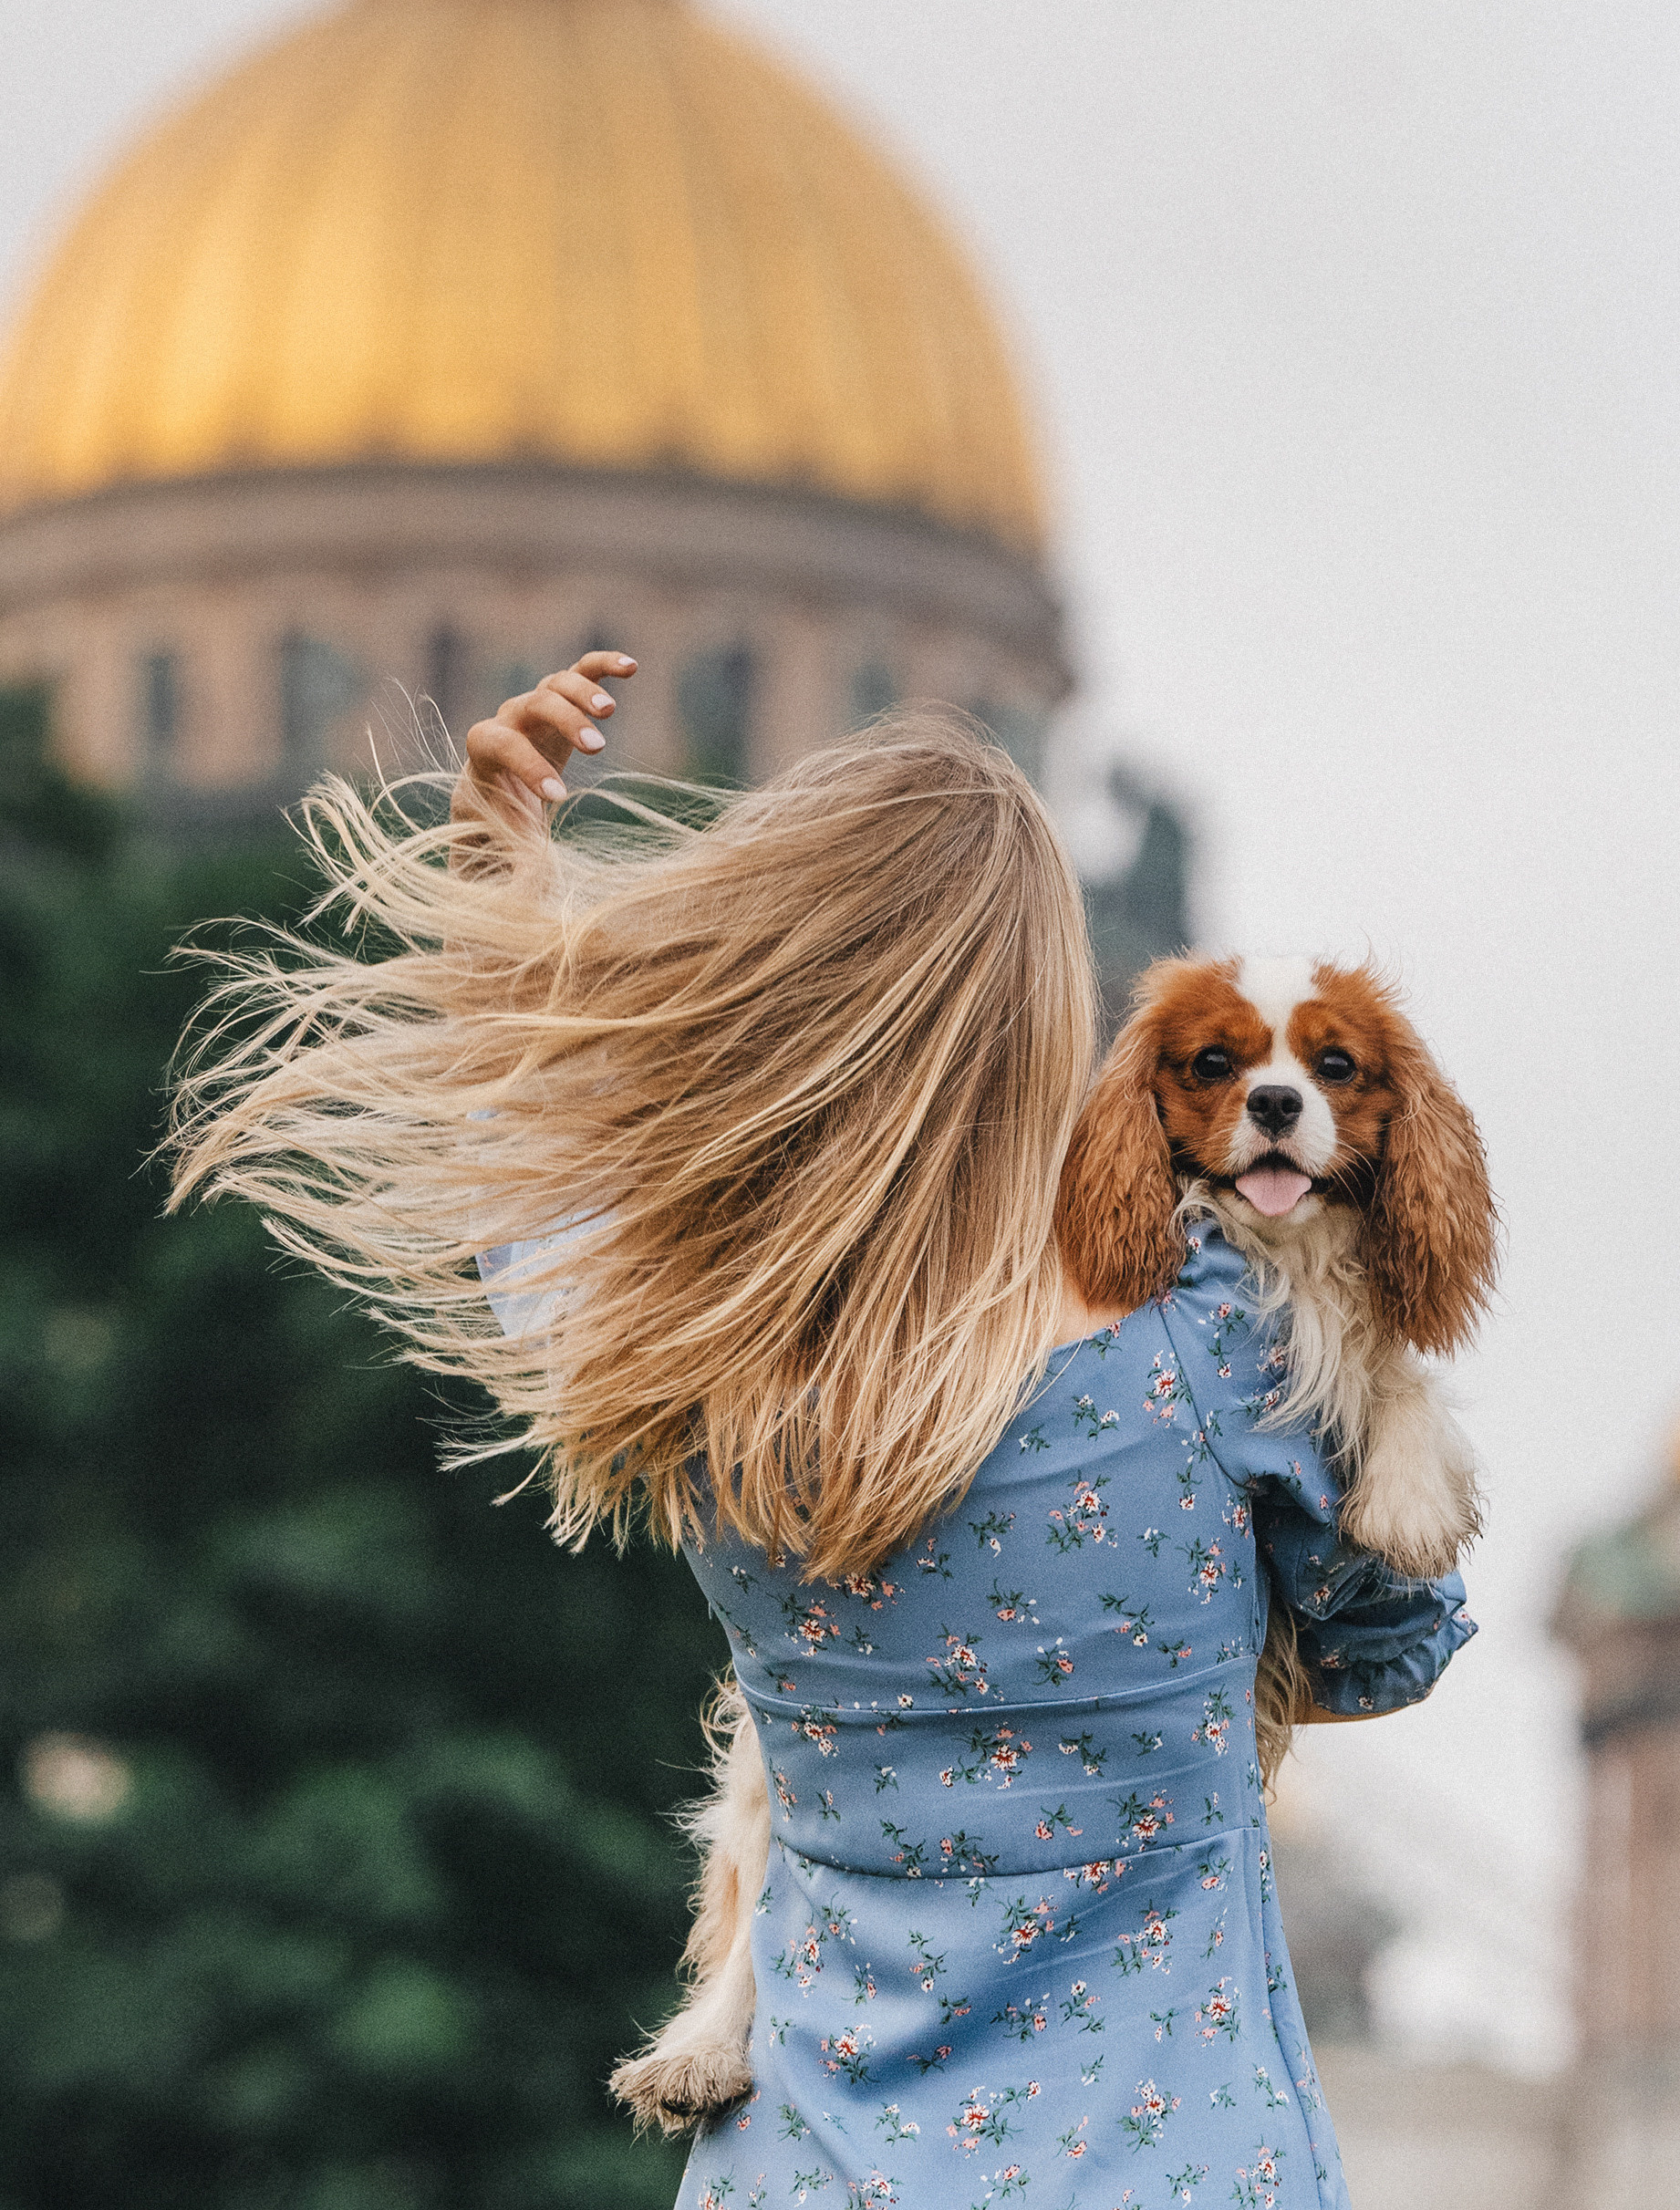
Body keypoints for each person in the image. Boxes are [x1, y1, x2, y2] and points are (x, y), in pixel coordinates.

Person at [172, 654, 1473, 2210]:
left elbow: (529, 1205)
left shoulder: (690, 1354)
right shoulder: (1216, 1340)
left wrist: (496, 879)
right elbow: (1394, 1640)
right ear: (1054, 1025)